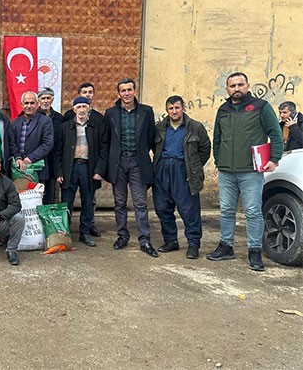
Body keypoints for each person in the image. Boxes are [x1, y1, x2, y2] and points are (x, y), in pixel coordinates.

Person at [209, 72, 283, 271]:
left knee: (252, 212)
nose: (236, 89)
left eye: (240, 84)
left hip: (251, 171)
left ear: (247, 86)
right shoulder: (223, 110)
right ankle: (226, 246)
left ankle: (255, 251)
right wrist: (219, 161)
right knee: (226, 211)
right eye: (232, 86)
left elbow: (275, 134)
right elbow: (217, 138)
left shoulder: (261, 107)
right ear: (227, 89)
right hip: (226, 172)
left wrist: (274, 159)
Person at [152, 95, 211, 259]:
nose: (174, 111)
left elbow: (205, 149)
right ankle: (171, 240)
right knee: (162, 207)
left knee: (189, 209)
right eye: (171, 108)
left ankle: (193, 244)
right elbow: (153, 147)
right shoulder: (159, 128)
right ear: (167, 110)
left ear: (183, 108)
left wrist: (193, 167)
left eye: (177, 107)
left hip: (183, 170)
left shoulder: (195, 127)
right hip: (162, 169)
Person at [105, 78, 158, 257]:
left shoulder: (146, 111)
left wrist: (142, 155)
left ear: (134, 91)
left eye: (129, 90)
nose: (126, 93)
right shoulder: (110, 113)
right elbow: (107, 140)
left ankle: (145, 240)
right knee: (119, 202)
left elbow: (151, 137)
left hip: (137, 162)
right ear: (118, 93)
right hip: (118, 163)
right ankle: (122, 235)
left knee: (140, 203)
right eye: (123, 90)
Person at [54, 96, 109, 247]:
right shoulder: (65, 127)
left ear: (89, 108)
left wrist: (99, 170)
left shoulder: (97, 126)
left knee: (87, 201)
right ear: (73, 110)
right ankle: (65, 232)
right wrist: (59, 172)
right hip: (69, 168)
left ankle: (84, 232)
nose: (82, 110)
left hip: (88, 168)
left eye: (85, 107)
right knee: (67, 202)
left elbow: (104, 150)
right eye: (78, 107)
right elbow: (58, 151)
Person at [9, 91, 54, 185]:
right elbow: (12, 143)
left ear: (37, 104)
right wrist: (17, 158)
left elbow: (48, 143)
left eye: (32, 103)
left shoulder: (45, 121)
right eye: (26, 103)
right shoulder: (15, 122)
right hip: (19, 169)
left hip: (38, 168)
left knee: (38, 198)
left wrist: (30, 158)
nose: (29, 106)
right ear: (21, 104)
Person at [37, 87, 66, 205]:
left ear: (52, 100)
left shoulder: (60, 118)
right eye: (43, 98)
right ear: (38, 100)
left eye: (48, 98)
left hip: (54, 161)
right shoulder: (33, 117)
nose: (45, 101)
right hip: (37, 162)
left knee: (50, 195)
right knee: (36, 195)